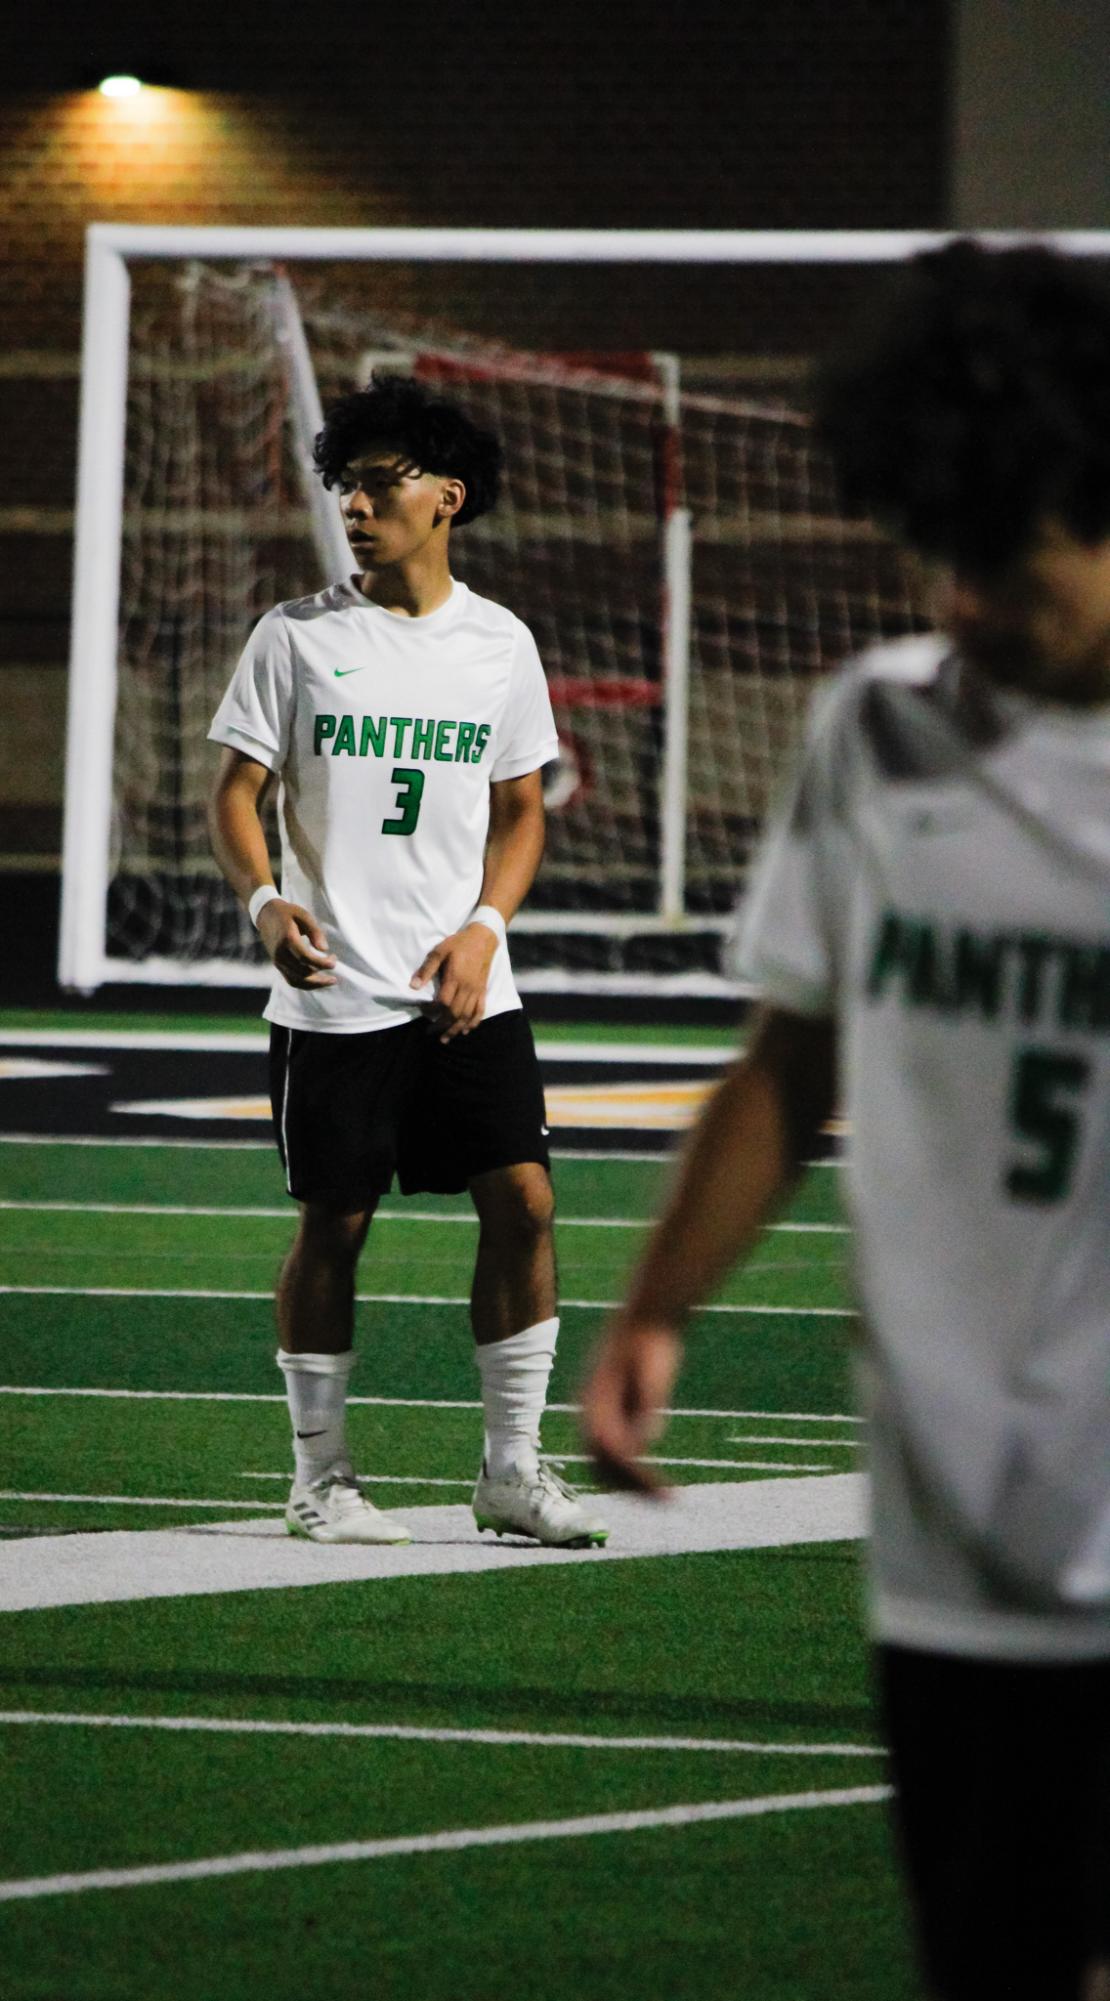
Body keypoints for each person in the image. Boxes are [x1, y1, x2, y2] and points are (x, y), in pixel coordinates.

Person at [580, 241, 1110, 2001]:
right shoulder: (874, 732)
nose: (956, 598)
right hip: (956, 1543)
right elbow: (788, 1062)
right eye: (933, 552)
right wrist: (658, 1306)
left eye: (1006, 560)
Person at [208, 371, 607, 1552]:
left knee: (526, 1202)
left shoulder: (500, 645)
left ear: (449, 497)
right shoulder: (294, 634)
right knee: (335, 1224)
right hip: (335, 991)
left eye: (381, 484)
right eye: (347, 485)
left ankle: (511, 1472)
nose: (356, 505)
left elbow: (522, 810)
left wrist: (487, 928)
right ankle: (321, 1479)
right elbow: (238, 792)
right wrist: (267, 904)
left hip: (465, 982)